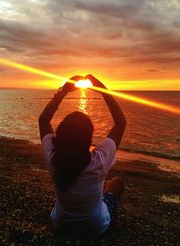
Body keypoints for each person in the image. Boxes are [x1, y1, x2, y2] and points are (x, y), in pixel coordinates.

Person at [39, 74, 126, 236]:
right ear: (88, 139)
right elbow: (120, 122)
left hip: (61, 224)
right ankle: (112, 222)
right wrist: (102, 89)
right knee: (117, 182)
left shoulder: (54, 158)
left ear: (61, 134)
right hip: (95, 228)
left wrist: (64, 91)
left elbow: (44, 120)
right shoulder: (99, 160)